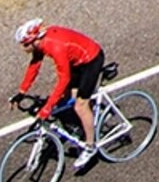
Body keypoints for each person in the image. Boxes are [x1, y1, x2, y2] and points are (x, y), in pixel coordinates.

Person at [15, 18, 111, 166]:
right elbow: (35, 65)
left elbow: (63, 79)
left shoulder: (55, 47)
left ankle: (90, 146)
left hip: (91, 60)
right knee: (68, 99)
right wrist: (22, 91)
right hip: (77, 60)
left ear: (34, 40)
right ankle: (84, 125)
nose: (23, 48)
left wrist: (48, 107)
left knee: (80, 105)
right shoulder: (41, 44)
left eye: (25, 44)